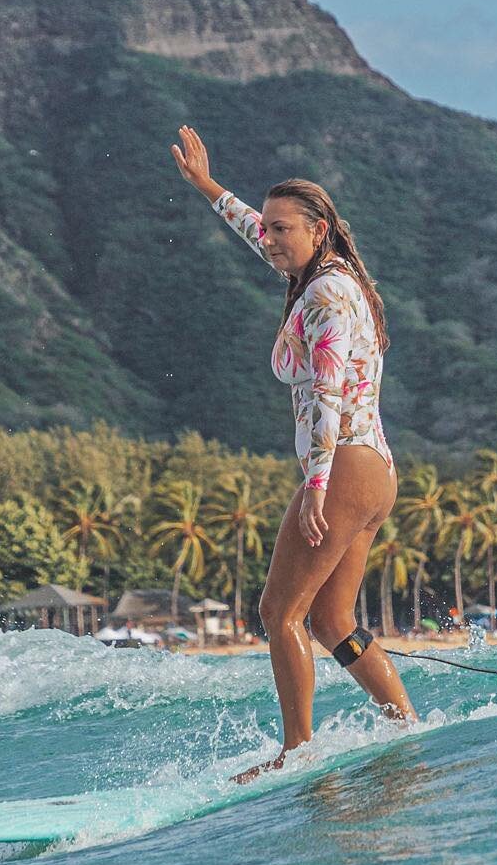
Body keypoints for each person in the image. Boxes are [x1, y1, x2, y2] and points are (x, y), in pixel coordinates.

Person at [170, 125, 417, 781]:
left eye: (284, 229)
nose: (272, 238)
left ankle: (297, 751)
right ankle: (405, 727)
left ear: (320, 231)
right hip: (374, 470)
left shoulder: (327, 295)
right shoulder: (323, 277)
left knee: (280, 613)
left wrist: (313, 483)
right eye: (270, 228)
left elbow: (326, 391)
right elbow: (254, 229)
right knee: (334, 619)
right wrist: (207, 186)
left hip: (343, 467)